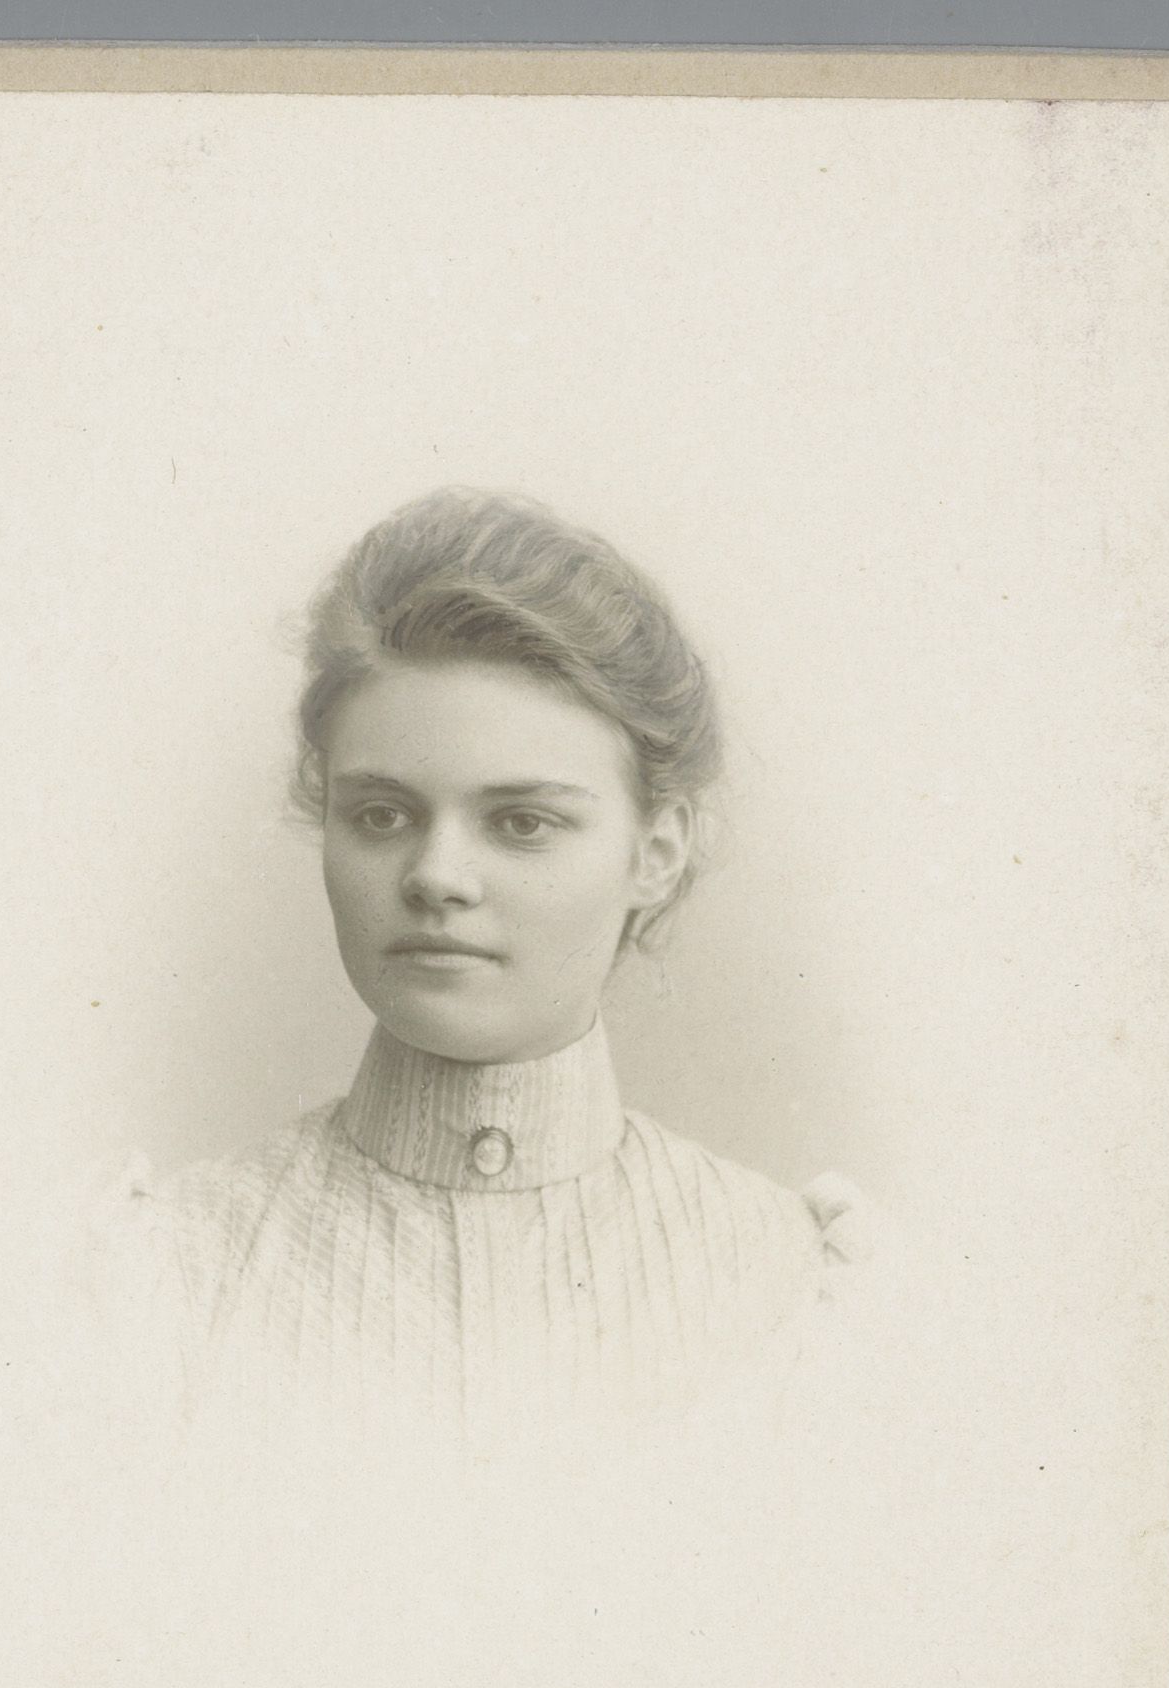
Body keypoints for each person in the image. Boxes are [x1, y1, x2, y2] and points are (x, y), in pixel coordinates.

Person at [100, 489, 868, 1451]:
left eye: (521, 823)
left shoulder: (794, 1291)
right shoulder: (162, 1278)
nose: (436, 876)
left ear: (656, 851)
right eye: (382, 815)